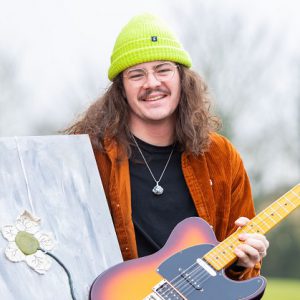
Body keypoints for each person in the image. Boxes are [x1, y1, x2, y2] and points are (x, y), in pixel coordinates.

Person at [66, 13, 269, 281]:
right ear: (121, 90)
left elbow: (242, 277)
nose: (152, 83)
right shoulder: (90, 159)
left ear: (182, 78)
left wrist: (243, 262)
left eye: (163, 69)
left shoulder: (222, 157)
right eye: (136, 74)